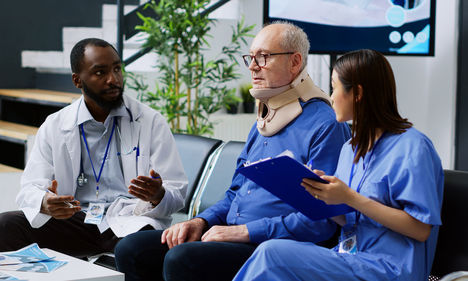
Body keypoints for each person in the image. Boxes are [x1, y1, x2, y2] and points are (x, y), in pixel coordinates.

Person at [114, 22, 351, 281]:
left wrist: (245, 232)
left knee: (182, 259)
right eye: (251, 57)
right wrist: (201, 222)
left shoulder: (326, 125)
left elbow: (321, 222)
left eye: (264, 57)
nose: (252, 66)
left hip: (275, 245)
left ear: (295, 62)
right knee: (131, 249)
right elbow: (234, 194)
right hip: (232, 232)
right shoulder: (263, 122)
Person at [232, 49, 444, 281]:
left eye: (335, 87)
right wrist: (321, 196)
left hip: (390, 270)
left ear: (358, 93)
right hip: (349, 259)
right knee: (272, 255)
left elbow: (421, 229)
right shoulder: (350, 148)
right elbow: (349, 219)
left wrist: (351, 198)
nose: (331, 97)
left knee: (272, 254)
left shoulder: (413, 147)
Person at [0, 38, 187, 257]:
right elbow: (29, 188)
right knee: (4, 226)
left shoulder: (150, 121)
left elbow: (177, 192)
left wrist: (158, 194)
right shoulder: (55, 125)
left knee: (138, 245)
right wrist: (45, 202)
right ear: (78, 80)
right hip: (75, 222)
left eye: (117, 69)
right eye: (100, 73)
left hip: (130, 221)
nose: (114, 79)